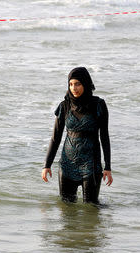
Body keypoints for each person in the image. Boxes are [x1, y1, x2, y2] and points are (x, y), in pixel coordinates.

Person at [41, 67, 112, 204]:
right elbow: (55, 138)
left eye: (78, 84)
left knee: (91, 209)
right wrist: (46, 165)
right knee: (66, 211)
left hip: (91, 165)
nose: (74, 88)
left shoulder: (98, 105)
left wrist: (107, 167)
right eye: (71, 84)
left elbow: (104, 137)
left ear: (85, 83)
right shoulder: (64, 106)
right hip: (67, 165)